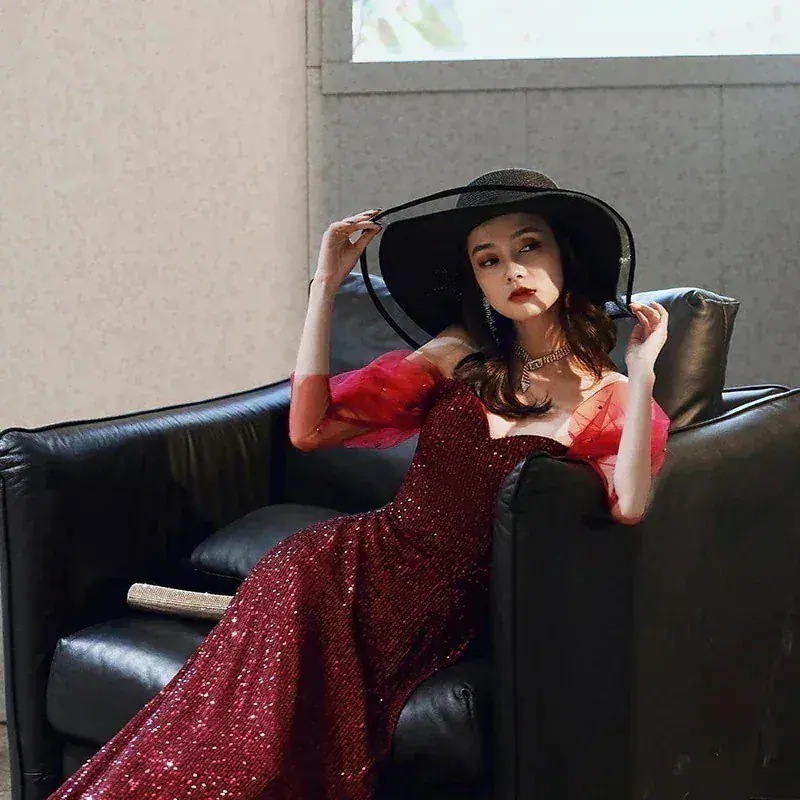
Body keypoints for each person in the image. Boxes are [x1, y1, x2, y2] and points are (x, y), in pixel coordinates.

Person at [46, 168, 671, 799]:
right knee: (227, 753)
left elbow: (629, 505)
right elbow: (309, 428)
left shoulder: (612, 396)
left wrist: (642, 372)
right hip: (330, 568)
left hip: (435, 609)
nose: (512, 270)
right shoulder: (456, 354)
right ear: (476, 281)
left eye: (529, 246)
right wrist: (325, 285)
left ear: (565, 255)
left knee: (278, 763)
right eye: (489, 259)